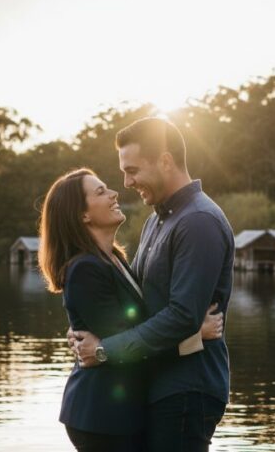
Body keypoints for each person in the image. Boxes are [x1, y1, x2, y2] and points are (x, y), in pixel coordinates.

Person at [72, 117, 235, 452]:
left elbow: (181, 316)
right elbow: (142, 305)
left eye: (132, 170)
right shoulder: (156, 222)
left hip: (187, 389)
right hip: (159, 385)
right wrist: (84, 325)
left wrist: (104, 351)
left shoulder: (198, 222)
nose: (127, 182)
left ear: (165, 161)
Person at [38, 168, 224, 452]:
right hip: (101, 414)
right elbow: (131, 345)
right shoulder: (85, 269)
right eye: (101, 192)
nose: (114, 193)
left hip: (120, 410)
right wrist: (195, 334)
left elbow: (133, 329)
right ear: (82, 215)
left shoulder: (113, 258)